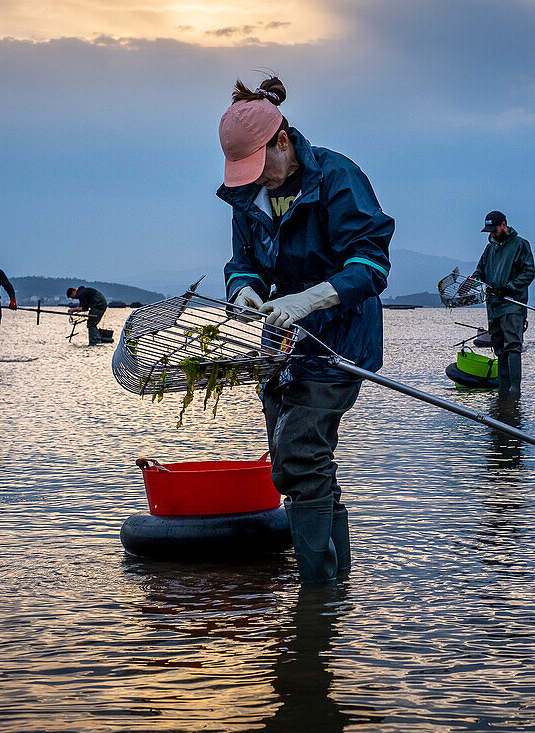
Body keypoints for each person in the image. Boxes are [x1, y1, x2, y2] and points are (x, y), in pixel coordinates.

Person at [218, 75, 394, 584]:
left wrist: (308, 299)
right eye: (243, 173)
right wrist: (244, 291)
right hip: (281, 346)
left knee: (297, 456)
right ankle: (332, 596)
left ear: (282, 140)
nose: (256, 180)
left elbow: (371, 266)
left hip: (339, 340)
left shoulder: (338, 178)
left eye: (260, 166)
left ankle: (315, 595)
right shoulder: (249, 196)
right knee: (302, 462)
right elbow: (244, 262)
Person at [471, 211, 535, 399]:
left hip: (513, 304)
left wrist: (509, 287)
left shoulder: (521, 245)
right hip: (493, 306)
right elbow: (479, 272)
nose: (491, 234)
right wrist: (474, 281)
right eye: (489, 231)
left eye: (494, 229)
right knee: (499, 349)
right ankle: (503, 391)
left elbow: (529, 273)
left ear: (504, 225)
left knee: (513, 346)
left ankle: (515, 391)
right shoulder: (489, 249)